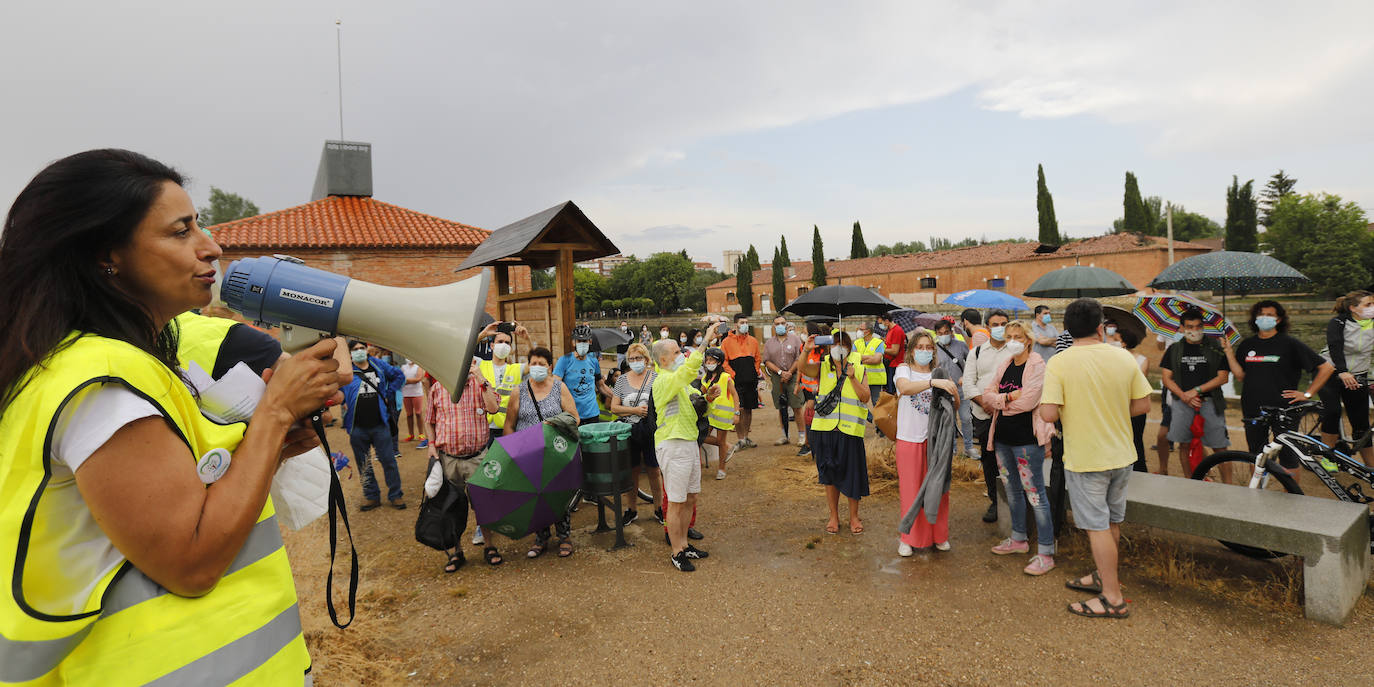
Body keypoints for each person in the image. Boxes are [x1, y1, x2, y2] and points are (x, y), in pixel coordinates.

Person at [0, 149, 339, 682]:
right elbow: (191, 561)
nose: (211, 246)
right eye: (181, 232)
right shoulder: (100, 385)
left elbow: (183, 503)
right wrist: (272, 416)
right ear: (105, 255)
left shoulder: (135, 359)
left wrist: (267, 449)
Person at [1040, 298, 1152, 619]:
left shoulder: (1059, 362)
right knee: (1112, 521)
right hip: (1122, 454)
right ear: (1101, 327)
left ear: (1067, 329)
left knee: (1097, 527)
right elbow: (1143, 405)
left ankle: (1112, 598)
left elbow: (1048, 412)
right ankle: (1106, 576)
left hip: (1086, 457)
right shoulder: (1122, 356)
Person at [983, 321, 1056, 576]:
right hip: (1003, 438)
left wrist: (1000, 401)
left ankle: (1046, 551)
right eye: (1009, 336)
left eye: (1018, 336)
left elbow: (1028, 401)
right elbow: (987, 394)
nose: (1013, 340)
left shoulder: (1037, 364)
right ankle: (1018, 539)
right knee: (1012, 491)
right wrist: (1007, 398)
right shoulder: (1005, 364)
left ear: (1028, 340)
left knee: (1035, 494)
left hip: (1026, 442)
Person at [1220, 300, 1335, 461]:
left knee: (1289, 456)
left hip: (1284, 409)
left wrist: (1308, 394)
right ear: (1254, 318)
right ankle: (1258, 487)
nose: (1264, 318)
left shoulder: (1290, 343)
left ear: (1279, 319)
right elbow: (1240, 376)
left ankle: (1290, 487)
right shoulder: (1248, 344)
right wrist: (1228, 352)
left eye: (1269, 315)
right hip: (1253, 407)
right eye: (1261, 314)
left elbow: (1326, 368)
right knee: (1257, 454)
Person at [423, 359, 500, 571]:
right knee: (451, 507)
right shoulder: (438, 389)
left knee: (483, 506)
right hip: (449, 459)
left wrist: (482, 379)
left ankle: (490, 546)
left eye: (467, 365)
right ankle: (457, 552)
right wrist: (431, 444)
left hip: (477, 457)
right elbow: (429, 420)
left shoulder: (480, 386)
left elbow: (493, 408)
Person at [504, 346, 580, 558]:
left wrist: (554, 423)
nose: (536, 367)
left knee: (558, 494)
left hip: (555, 452)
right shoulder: (518, 391)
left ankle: (564, 537)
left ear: (550, 367)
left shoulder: (559, 388)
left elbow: (574, 417)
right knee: (535, 497)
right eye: (533, 363)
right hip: (528, 454)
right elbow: (509, 424)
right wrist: (512, 451)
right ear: (528, 365)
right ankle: (541, 538)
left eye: (541, 364)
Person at [653, 327, 719, 571]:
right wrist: (703, 346)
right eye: (677, 351)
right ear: (664, 359)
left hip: (689, 442)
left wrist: (708, 398)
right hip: (672, 443)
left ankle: (684, 543)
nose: (681, 354)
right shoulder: (664, 381)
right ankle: (676, 550)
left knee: (690, 497)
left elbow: (697, 405)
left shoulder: (682, 385)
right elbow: (688, 371)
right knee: (677, 501)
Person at [892, 330, 961, 554]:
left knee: (938, 489)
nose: (924, 351)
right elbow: (904, 388)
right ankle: (908, 537)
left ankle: (938, 536)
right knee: (910, 490)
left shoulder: (939, 372)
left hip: (936, 441)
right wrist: (934, 383)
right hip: (910, 438)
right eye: (919, 347)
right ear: (911, 351)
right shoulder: (904, 370)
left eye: (928, 347)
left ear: (933, 351)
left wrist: (953, 393)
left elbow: (955, 405)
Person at [799, 330, 871, 535]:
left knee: (852, 474)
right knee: (829, 475)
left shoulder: (859, 366)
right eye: (834, 344)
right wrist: (806, 350)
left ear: (849, 347)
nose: (839, 348)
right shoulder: (823, 366)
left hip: (850, 431)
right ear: (829, 347)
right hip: (826, 430)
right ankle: (833, 516)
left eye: (843, 344)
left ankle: (854, 517)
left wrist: (852, 378)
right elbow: (803, 368)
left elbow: (865, 397)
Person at [1159, 308, 1230, 477]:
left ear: (1203, 327)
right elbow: (1167, 378)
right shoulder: (1174, 349)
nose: (1194, 331)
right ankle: (1191, 482)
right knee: (1184, 444)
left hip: (1210, 402)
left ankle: (1229, 485)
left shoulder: (1215, 347)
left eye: (1198, 326)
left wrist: (1196, 391)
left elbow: (1223, 378)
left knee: (1219, 446)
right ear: (1182, 328)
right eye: (1190, 327)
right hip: (1182, 403)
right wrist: (1184, 396)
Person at [343, 339, 408, 511]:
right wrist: (343, 400)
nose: (359, 351)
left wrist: (389, 391)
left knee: (388, 461)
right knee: (364, 464)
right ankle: (372, 497)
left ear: (366, 349)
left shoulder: (377, 365)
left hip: (380, 424)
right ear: (350, 353)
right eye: (355, 349)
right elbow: (337, 388)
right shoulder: (347, 370)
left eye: (361, 348)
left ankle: (396, 495)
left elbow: (399, 376)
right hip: (357, 427)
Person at [964, 309, 1014, 523]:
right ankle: (995, 501)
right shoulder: (976, 353)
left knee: (1012, 458)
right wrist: (985, 403)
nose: (1000, 328)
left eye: (1004, 323)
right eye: (995, 324)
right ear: (988, 326)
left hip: (1011, 414)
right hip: (983, 415)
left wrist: (1003, 404)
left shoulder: (1015, 352)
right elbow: (968, 383)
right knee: (989, 458)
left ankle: (1015, 501)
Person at [1319, 290, 1374, 464]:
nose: (1372, 308)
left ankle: (1371, 467)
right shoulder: (1338, 322)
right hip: (1330, 371)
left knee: (1361, 422)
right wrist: (1342, 371)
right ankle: (1327, 458)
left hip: (1358, 373)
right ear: (1353, 308)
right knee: (1333, 411)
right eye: (1368, 304)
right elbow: (1335, 346)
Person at [612, 343, 663, 524]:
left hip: (651, 430)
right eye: (632, 359)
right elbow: (614, 408)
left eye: (639, 358)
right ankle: (631, 509)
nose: (635, 361)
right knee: (632, 470)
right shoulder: (622, 380)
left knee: (654, 470)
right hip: (629, 431)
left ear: (647, 359)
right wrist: (634, 411)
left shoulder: (656, 378)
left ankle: (659, 507)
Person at [931, 319, 973, 458]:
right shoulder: (934, 349)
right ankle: (952, 449)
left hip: (961, 390)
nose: (943, 335)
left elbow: (972, 363)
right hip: (945, 391)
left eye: (946, 332)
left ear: (951, 332)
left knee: (966, 418)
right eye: (940, 333)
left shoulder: (961, 346)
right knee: (950, 421)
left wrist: (966, 377)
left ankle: (969, 447)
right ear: (936, 334)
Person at [763, 314, 806, 446]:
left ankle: (802, 435)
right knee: (781, 407)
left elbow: (799, 358)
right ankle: (784, 435)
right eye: (777, 324)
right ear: (773, 326)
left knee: (797, 407)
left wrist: (789, 372)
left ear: (786, 325)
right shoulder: (769, 343)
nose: (780, 326)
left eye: (782, 323)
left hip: (793, 376)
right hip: (777, 378)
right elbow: (767, 361)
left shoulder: (795, 340)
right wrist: (780, 372)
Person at [722, 314, 762, 450]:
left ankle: (745, 437)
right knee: (738, 409)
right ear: (736, 325)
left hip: (751, 380)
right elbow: (724, 361)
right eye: (742, 322)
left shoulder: (753, 341)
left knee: (749, 409)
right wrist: (732, 374)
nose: (745, 324)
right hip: (735, 381)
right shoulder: (726, 342)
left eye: (746, 322)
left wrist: (755, 371)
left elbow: (758, 358)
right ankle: (740, 439)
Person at [701, 348, 740, 480]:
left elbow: (735, 395)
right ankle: (728, 446)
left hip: (723, 415)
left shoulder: (725, 377)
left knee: (721, 441)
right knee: (701, 436)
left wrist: (736, 413)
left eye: (711, 360)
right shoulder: (705, 379)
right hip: (709, 414)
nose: (708, 362)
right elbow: (703, 394)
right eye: (707, 360)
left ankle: (721, 469)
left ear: (718, 362)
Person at [554, 324, 603, 425]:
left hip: (592, 414)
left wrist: (617, 397)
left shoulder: (593, 360)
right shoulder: (564, 360)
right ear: (573, 342)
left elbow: (601, 385)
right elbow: (555, 385)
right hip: (572, 414)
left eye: (584, 341)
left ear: (590, 341)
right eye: (579, 341)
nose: (582, 344)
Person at [795, 320, 829, 456]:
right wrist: (797, 383)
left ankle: (810, 444)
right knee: (809, 415)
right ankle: (811, 444)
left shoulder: (823, 350)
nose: (802, 335)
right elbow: (800, 366)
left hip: (817, 390)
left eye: (804, 332)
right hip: (806, 388)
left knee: (808, 415)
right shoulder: (803, 348)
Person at [1121, 329, 1151, 472]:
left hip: (1134, 404)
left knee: (1136, 439)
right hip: (1124, 404)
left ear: (1124, 342)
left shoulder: (1141, 360)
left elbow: (1139, 382)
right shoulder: (1142, 360)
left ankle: (1139, 469)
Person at [855, 321, 887, 414]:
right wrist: (870, 357)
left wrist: (860, 358)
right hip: (860, 378)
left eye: (861, 329)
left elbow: (876, 360)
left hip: (875, 379)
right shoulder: (857, 342)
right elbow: (853, 358)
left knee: (876, 402)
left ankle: (879, 425)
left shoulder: (878, 343)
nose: (858, 331)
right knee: (860, 401)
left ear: (868, 331)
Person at [401, 358, 427, 445]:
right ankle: (411, 434)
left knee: (418, 413)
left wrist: (406, 381)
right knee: (409, 414)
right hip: (406, 393)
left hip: (417, 393)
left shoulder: (418, 366)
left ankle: (421, 433)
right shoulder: (403, 367)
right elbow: (400, 379)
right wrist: (409, 381)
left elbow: (418, 379)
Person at [879, 312, 906, 395]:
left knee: (892, 392)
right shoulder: (890, 330)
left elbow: (894, 351)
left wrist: (881, 350)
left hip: (895, 364)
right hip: (890, 364)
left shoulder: (896, 331)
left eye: (881, 323)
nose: (881, 325)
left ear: (887, 321)